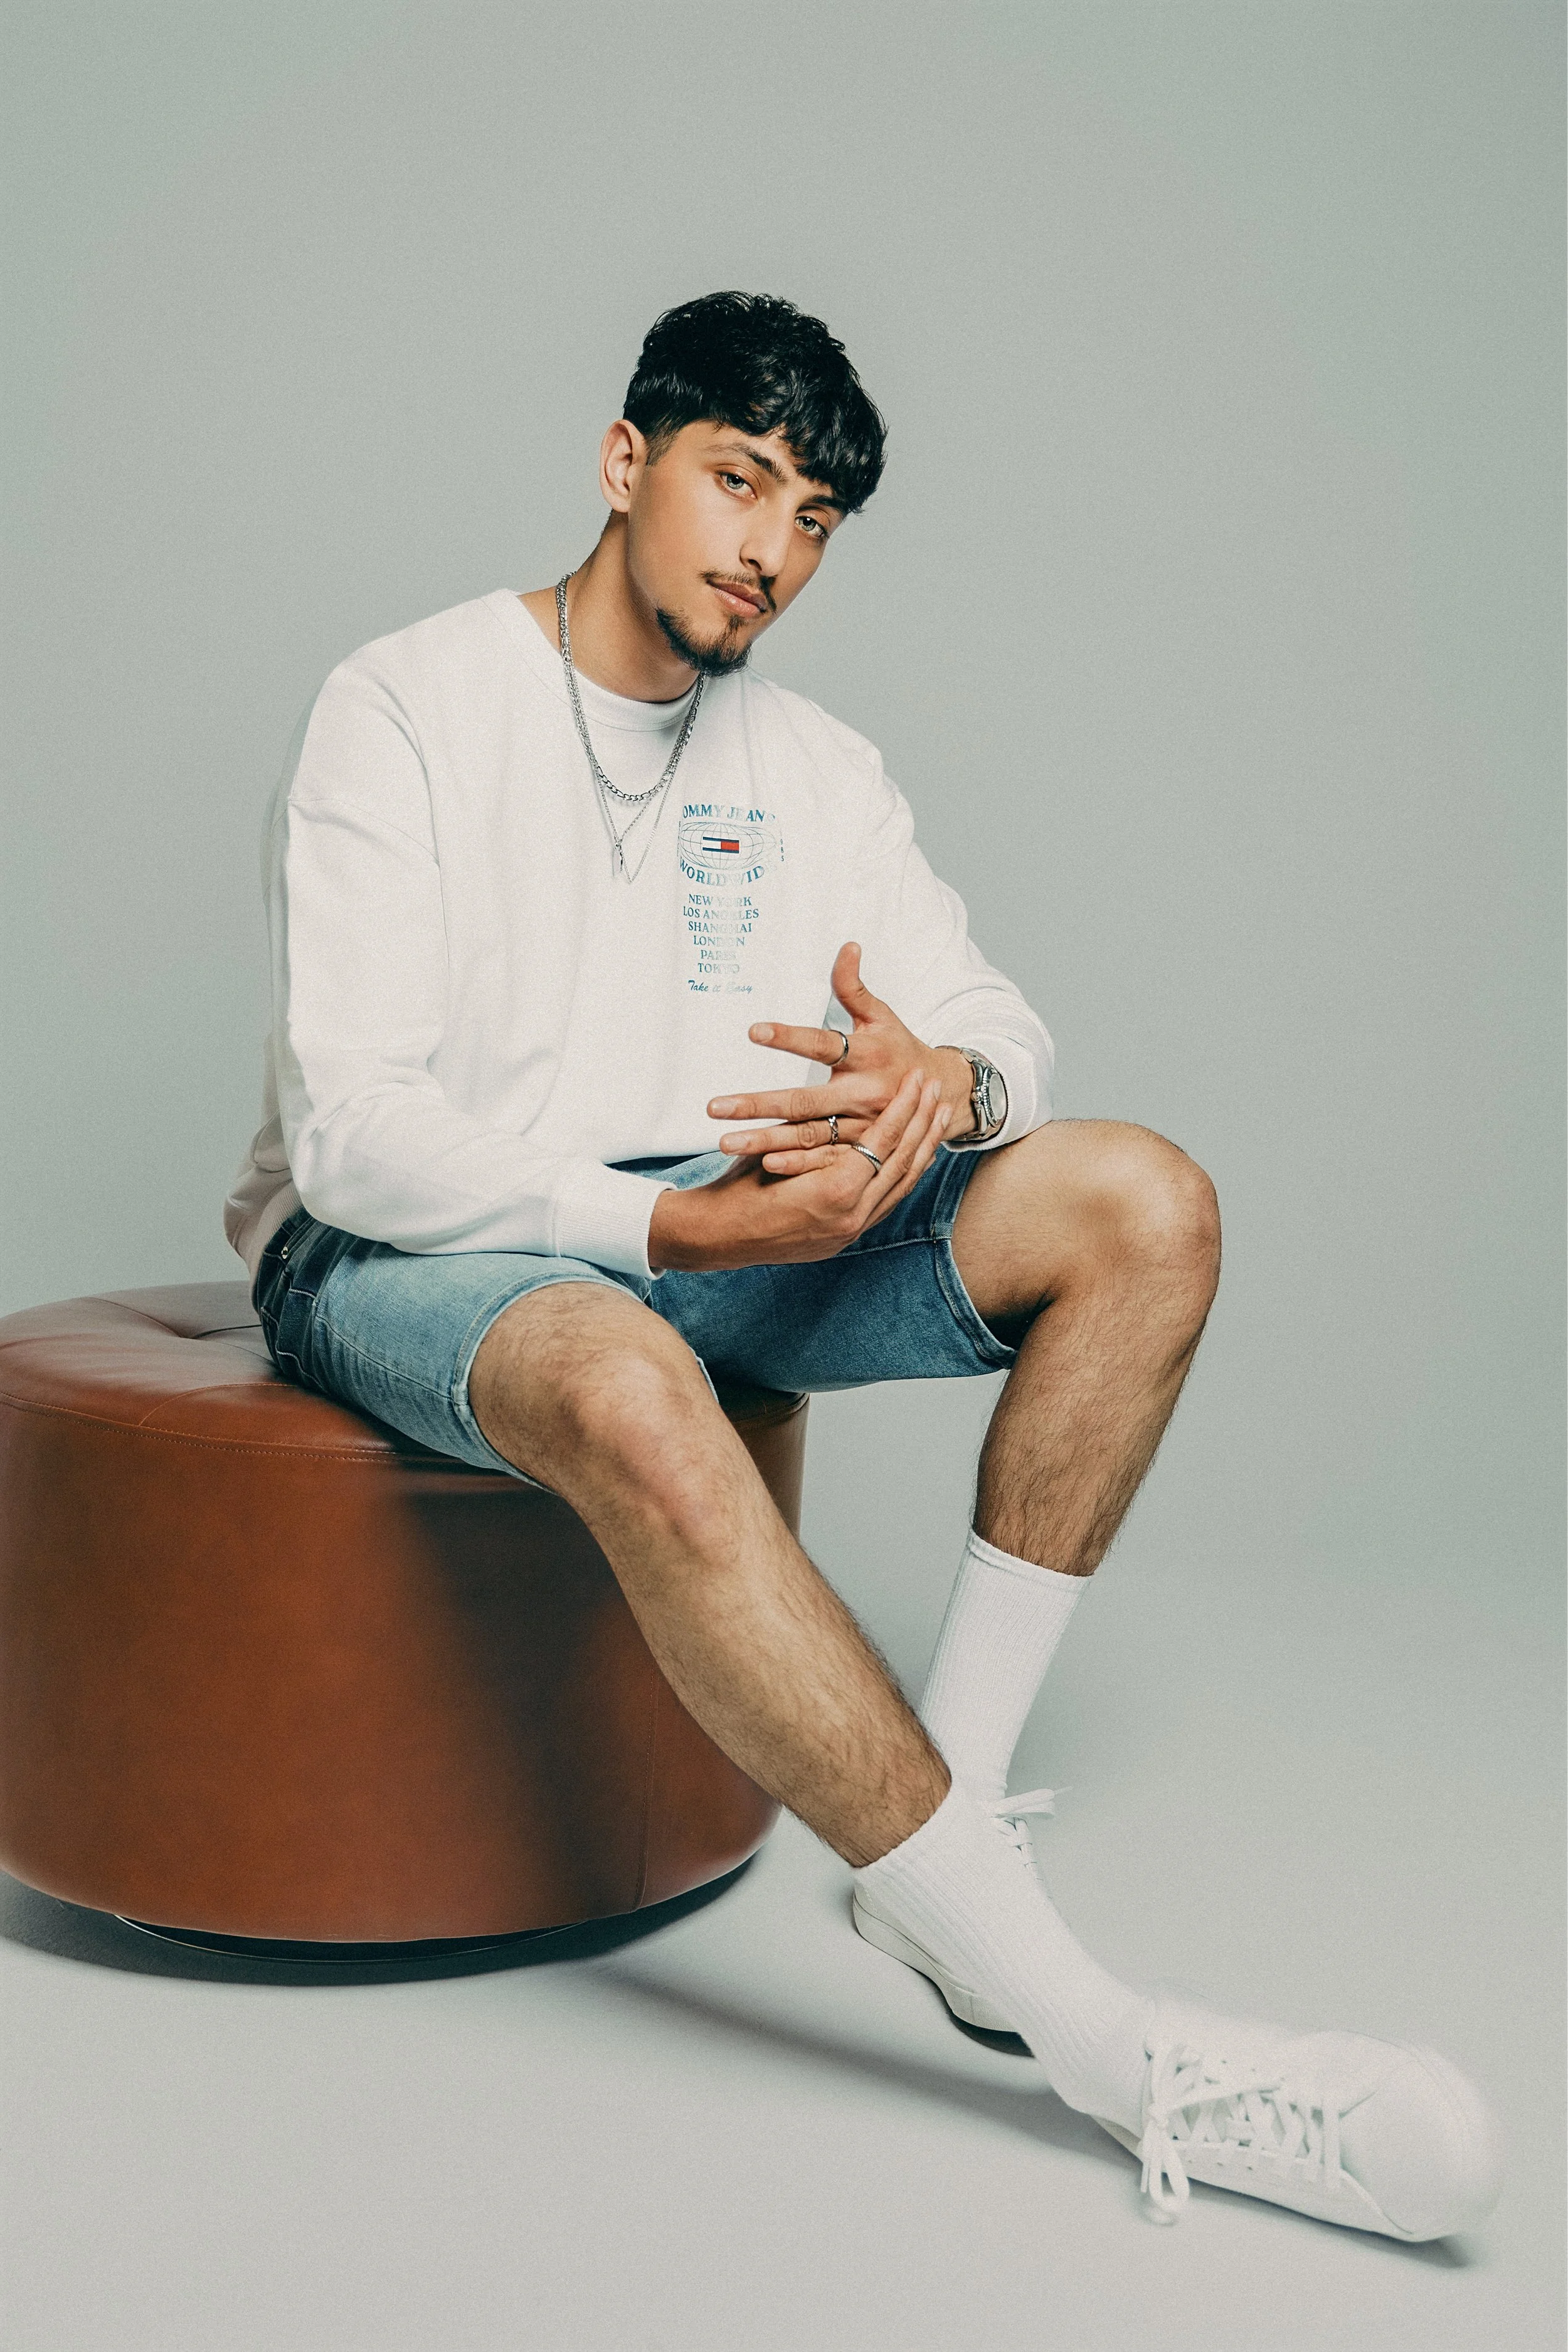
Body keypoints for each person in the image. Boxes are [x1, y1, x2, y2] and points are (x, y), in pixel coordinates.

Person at [226, 290, 1502, 2237]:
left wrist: (947, 1077)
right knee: (640, 1378)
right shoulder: (401, 703)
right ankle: (1095, 2037)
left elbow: (1003, 1019)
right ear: (622, 460)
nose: (767, 550)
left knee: (1139, 1198)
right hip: (405, 1249)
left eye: (813, 516)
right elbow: (353, 1131)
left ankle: (943, 1827)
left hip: (718, 1222)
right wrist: (668, 1227)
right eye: (737, 481)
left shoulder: (812, 766)